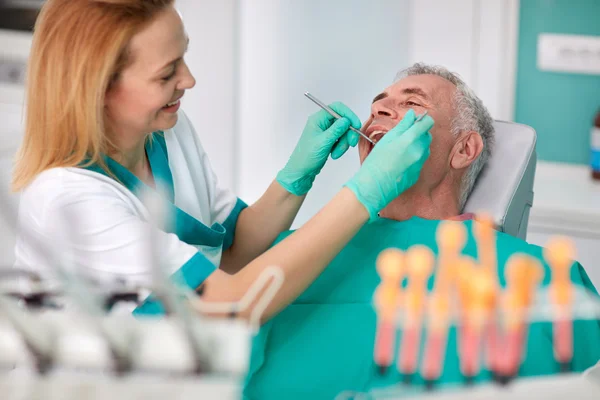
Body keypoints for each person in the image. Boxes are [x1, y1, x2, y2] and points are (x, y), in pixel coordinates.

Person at [11, 0, 433, 319]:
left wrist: (296, 177)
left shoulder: (165, 130)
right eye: (166, 73)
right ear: (97, 89)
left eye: (185, 56)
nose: (188, 81)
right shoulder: (70, 203)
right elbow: (228, 307)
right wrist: (363, 194)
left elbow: (234, 250)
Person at [243, 64, 600, 400]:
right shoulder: (287, 257)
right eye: (377, 106)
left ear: (463, 149)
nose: (379, 112)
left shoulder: (546, 277)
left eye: (412, 103)